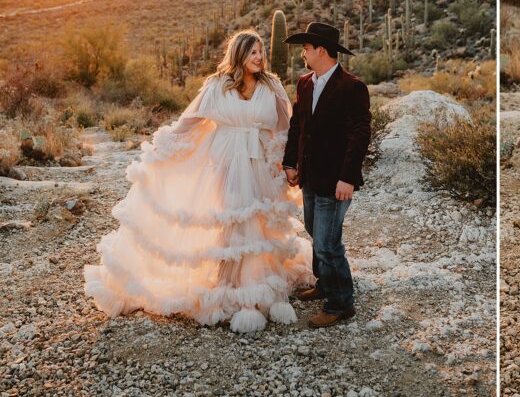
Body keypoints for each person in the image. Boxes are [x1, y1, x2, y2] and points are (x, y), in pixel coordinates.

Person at [84, 30, 313, 333]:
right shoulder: (217, 86)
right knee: (231, 220)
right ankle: (225, 285)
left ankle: (254, 285)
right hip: (225, 163)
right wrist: (163, 148)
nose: (260, 57)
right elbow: (190, 122)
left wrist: (287, 162)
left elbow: (286, 127)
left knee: (256, 223)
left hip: (257, 162)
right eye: (253, 52)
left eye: (261, 52)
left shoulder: (271, 87)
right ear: (239, 54)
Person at [281, 22, 371, 328]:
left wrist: (348, 177)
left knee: (327, 243)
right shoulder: (305, 83)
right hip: (310, 176)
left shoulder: (351, 86)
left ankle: (341, 303)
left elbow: (360, 135)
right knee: (314, 230)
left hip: (336, 180)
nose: (303, 52)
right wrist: (291, 163)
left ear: (321, 51)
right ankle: (324, 283)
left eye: (306, 48)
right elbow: (298, 127)